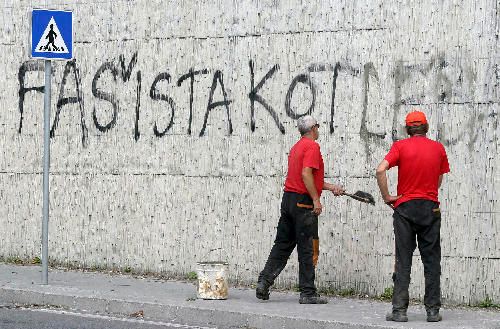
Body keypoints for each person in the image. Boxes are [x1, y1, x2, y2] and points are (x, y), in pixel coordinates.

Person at [256, 115, 344, 304]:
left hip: (288, 200)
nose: (318, 130)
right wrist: (316, 199)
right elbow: (305, 175)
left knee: (282, 244)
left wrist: (331, 187)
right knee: (307, 248)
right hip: (303, 203)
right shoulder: (312, 146)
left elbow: (308, 178)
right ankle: (308, 293)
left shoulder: (297, 147)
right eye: (318, 127)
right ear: (313, 128)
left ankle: (264, 281)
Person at [376, 110, 450, 322]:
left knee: (403, 260)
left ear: (408, 129)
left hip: (405, 208)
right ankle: (433, 311)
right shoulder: (438, 148)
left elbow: (380, 170)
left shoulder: (400, 146)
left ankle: (399, 311)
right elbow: (438, 178)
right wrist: (428, 194)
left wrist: (387, 196)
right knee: (432, 260)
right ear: (426, 127)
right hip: (430, 208)